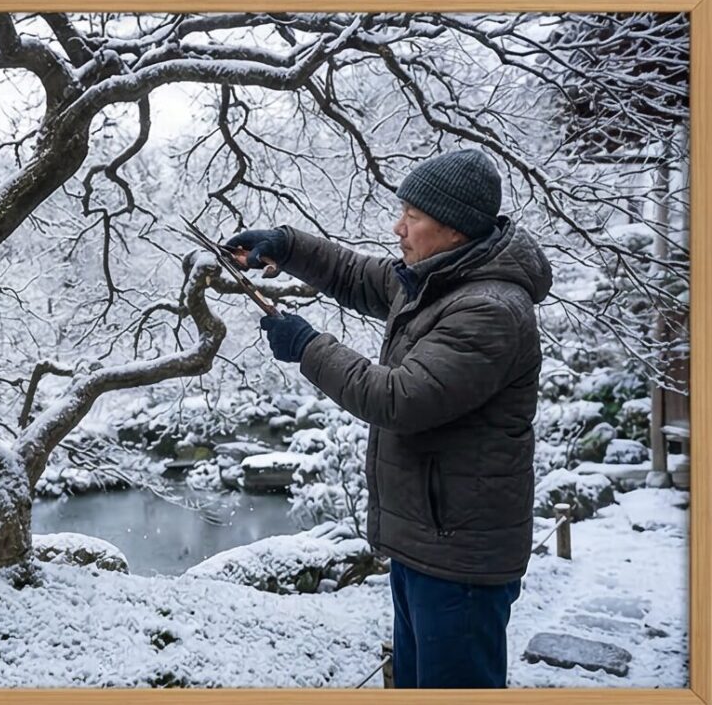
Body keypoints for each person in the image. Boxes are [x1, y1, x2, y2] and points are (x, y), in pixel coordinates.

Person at [225, 147, 553, 688]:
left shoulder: (488, 310)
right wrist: (285, 244)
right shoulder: (441, 278)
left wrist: (307, 347)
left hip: (459, 557)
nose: (397, 227)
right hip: (426, 539)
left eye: (413, 217)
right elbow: (357, 275)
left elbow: (397, 401)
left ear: (454, 230)